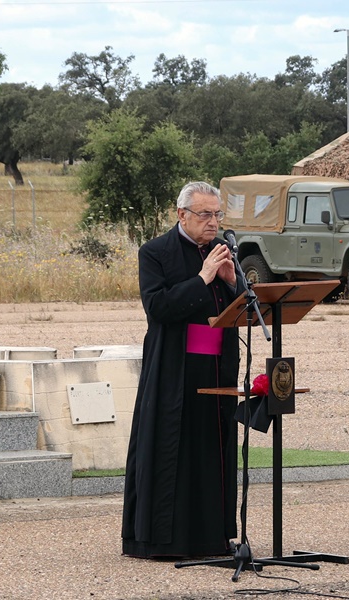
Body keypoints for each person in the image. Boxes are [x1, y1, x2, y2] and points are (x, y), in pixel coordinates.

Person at [122, 181, 241, 559]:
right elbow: (158, 307)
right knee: (175, 447)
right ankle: (166, 539)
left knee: (212, 447)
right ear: (181, 215)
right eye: (205, 214)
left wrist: (234, 282)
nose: (213, 222)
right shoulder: (155, 252)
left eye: (217, 214)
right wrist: (203, 277)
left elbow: (252, 302)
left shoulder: (225, 252)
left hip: (217, 366)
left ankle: (214, 537)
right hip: (175, 368)